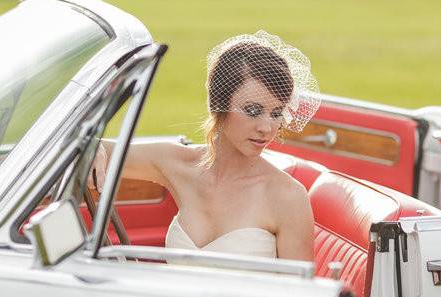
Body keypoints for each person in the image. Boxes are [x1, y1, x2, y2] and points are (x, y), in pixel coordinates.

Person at [95, 31, 321, 261]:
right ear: (218, 104)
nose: (266, 127)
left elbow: (299, 294)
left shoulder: (288, 197)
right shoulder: (177, 163)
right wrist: (95, 153)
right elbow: (87, 148)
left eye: (276, 113)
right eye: (253, 110)